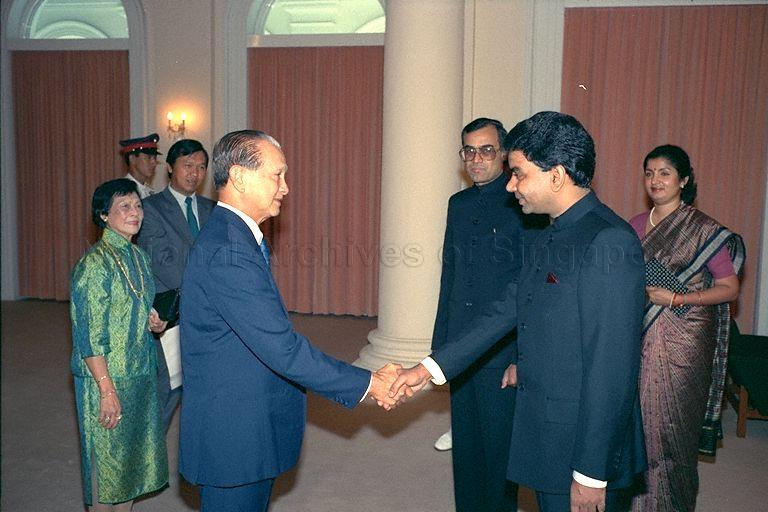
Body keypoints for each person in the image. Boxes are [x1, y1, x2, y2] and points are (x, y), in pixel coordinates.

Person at [392, 111, 647, 512]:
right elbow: (507, 308)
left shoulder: (608, 241)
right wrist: (427, 370)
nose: (510, 186)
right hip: (549, 435)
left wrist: (592, 473)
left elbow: (612, 369)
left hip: (583, 451)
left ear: (557, 175)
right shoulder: (552, 232)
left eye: (519, 174)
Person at [179, 130, 403, 512]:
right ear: (238, 177)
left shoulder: (237, 236)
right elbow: (282, 349)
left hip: (250, 425)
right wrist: (368, 382)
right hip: (233, 437)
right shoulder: (227, 250)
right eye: (277, 175)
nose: (286, 187)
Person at [628, 145, 744, 512]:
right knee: (640, 426)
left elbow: (730, 288)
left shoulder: (703, 229)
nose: (655, 180)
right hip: (640, 334)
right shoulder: (633, 225)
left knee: (672, 429)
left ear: (684, 180)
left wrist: (677, 300)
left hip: (686, 338)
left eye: (664, 172)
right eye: (649, 173)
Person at [431, 117, 529, 511]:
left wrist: (523, 356)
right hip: (461, 343)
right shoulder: (458, 203)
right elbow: (449, 276)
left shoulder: (522, 203)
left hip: (502, 349)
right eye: (469, 151)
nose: (476, 159)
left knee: (499, 453)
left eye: (486, 150)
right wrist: (442, 346)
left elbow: (528, 289)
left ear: (503, 154)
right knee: (466, 450)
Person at [70, 179, 168, 511]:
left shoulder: (139, 257)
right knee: (105, 470)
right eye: (123, 206)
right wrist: (106, 390)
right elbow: (89, 336)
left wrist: (155, 322)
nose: (135, 212)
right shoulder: (94, 265)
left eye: (137, 205)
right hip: (106, 379)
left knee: (129, 471)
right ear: (103, 216)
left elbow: (135, 308)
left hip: (138, 374)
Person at [137, 139, 215, 431]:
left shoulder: (213, 209)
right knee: (169, 389)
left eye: (201, 167)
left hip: (209, 314)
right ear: (170, 168)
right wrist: (212, 290)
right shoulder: (151, 208)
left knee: (205, 388)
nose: (195, 173)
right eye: (187, 165)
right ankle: (146, 459)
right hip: (171, 312)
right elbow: (163, 263)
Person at [119, 133, 161, 198]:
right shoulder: (121, 192)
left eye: (155, 158)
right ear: (132, 158)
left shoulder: (149, 192)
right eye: (148, 158)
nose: (154, 163)